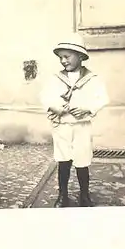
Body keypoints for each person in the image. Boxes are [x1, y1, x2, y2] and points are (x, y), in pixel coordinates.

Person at [40, 33, 109, 207]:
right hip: (62, 125)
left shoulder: (92, 79)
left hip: (82, 125)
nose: (63, 61)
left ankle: (84, 195)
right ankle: (63, 195)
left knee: (82, 160)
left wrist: (87, 108)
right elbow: (45, 96)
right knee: (63, 161)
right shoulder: (55, 78)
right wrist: (55, 106)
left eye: (67, 57)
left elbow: (102, 98)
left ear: (80, 56)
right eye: (60, 57)